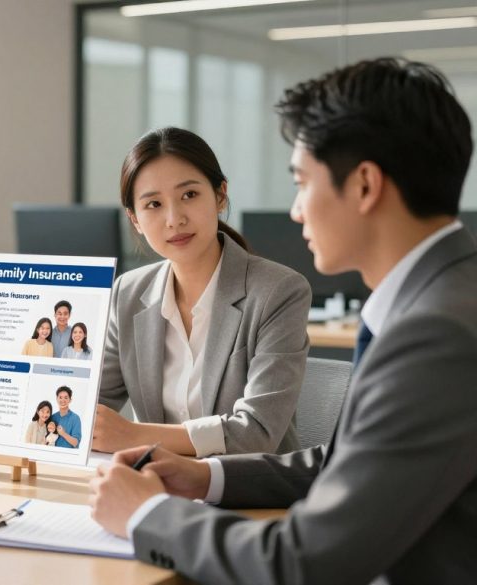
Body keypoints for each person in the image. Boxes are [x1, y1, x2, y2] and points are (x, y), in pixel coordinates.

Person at [89, 58, 477, 584]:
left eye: (302, 182)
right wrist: (204, 476)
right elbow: (345, 465)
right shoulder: (443, 301)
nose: (296, 211)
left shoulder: (437, 334)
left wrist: (146, 516)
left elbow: (306, 562)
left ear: (364, 185)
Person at [94, 126, 310, 458]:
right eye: (153, 204)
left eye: (189, 195)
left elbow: (256, 432)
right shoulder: (127, 292)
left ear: (220, 195)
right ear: (135, 219)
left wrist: (134, 435)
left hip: (245, 494)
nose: (174, 219)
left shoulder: (278, 291)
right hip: (153, 489)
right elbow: (88, 405)